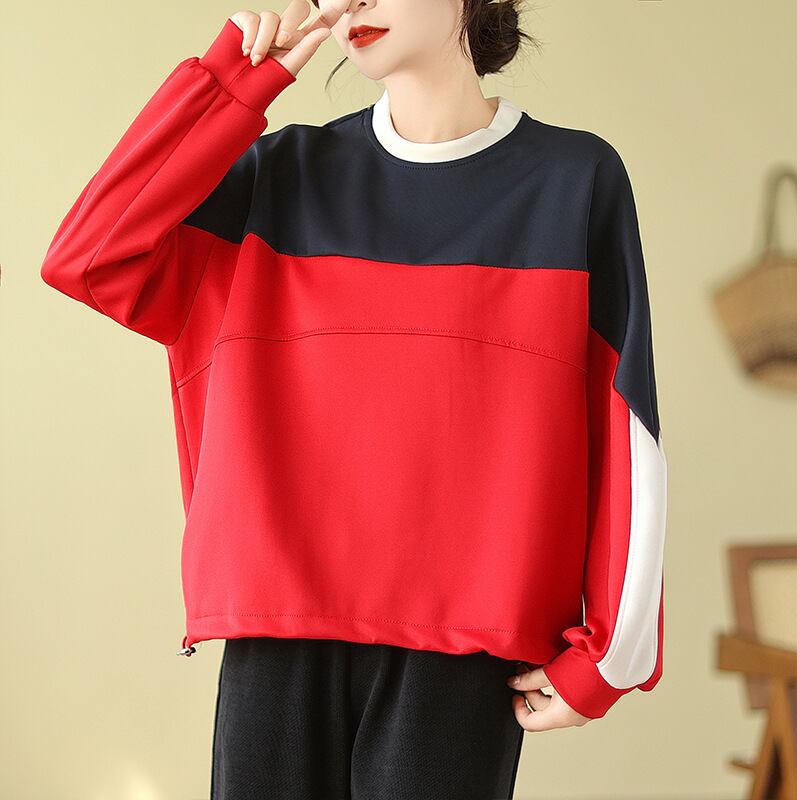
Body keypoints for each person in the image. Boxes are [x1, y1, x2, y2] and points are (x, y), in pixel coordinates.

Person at [40, 1, 668, 797]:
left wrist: (611, 655)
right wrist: (232, 84)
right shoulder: (277, 174)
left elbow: (625, 423)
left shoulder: (573, 180)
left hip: (463, 647)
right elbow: (90, 258)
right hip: (276, 628)